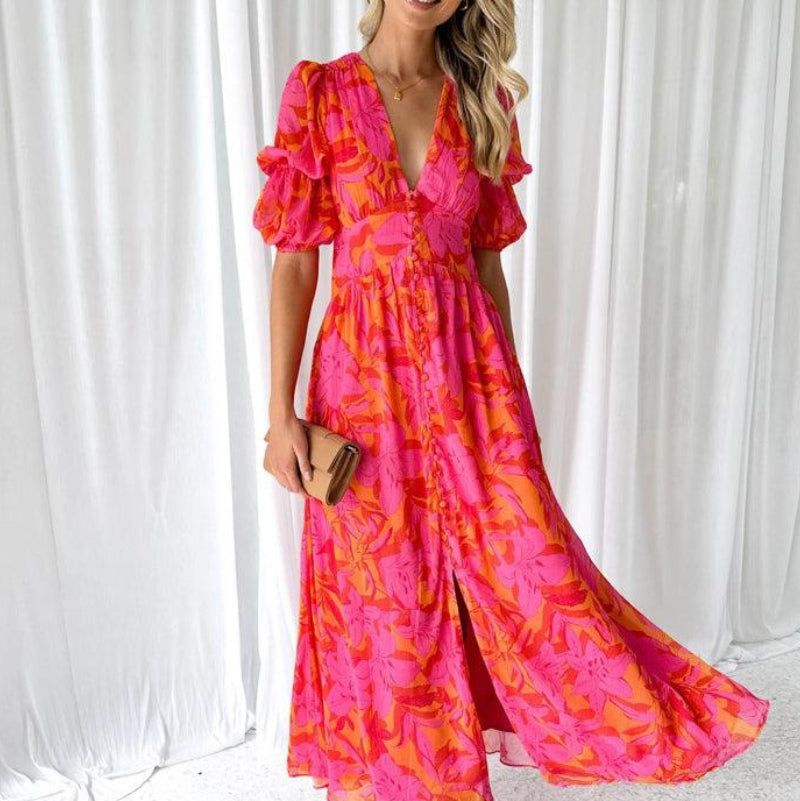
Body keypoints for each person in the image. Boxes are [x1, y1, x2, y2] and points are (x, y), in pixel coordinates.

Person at [253, 1, 770, 798]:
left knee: (530, 564)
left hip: (473, 381)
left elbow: (487, 267)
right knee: (388, 591)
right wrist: (280, 414)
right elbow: (295, 263)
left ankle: (625, 713)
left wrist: (511, 395)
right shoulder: (320, 92)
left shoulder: (481, 103)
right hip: (363, 389)